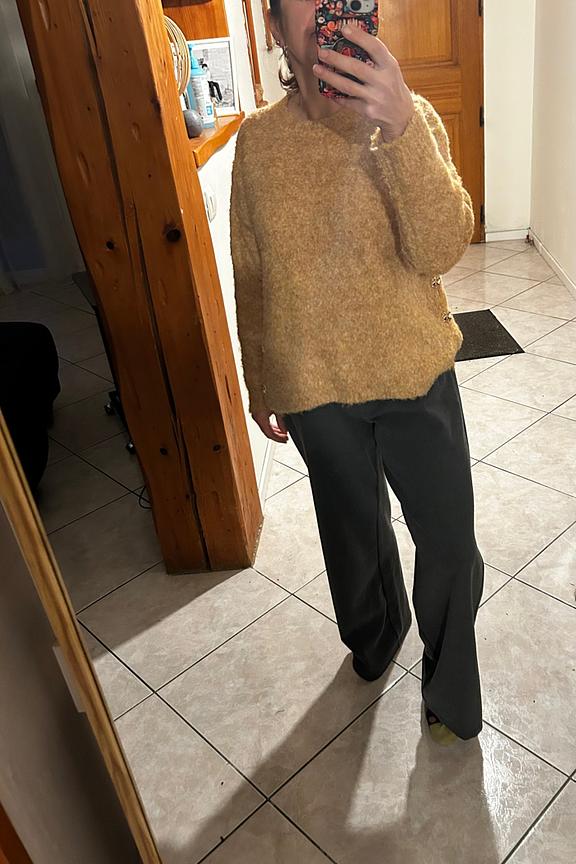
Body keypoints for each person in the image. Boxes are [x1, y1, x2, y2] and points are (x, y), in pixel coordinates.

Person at [230, 0, 483, 746]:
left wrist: (401, 129)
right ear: (274, 27)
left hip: (413, 370)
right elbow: (251, 271)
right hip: (314, 383)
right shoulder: (258, 143)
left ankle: (452, 693)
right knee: (352, 539)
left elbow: (442, 249)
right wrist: (260, 377)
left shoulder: (410, 117)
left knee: (448, 541)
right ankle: (375, 637)